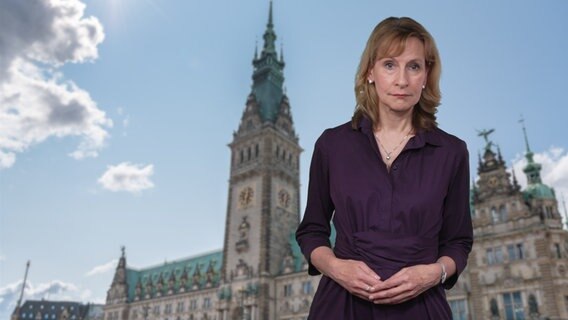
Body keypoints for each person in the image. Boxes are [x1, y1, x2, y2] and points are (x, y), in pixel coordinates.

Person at [295, 17, 473, 319]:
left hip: (421, 308)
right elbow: (312, 231)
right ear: (370, 73)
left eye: (414, 66)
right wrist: (337, 268)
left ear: (426, 76)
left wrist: (433, 274)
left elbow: (458, 241)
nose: (402, 80)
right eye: (390, 65)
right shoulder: (332, 145)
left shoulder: (452, 152)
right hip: (341, 306)